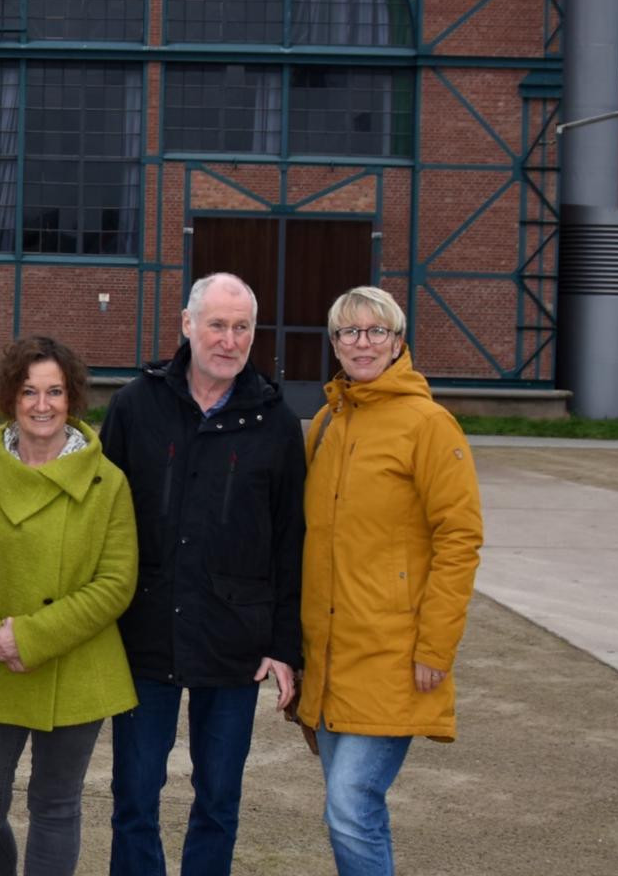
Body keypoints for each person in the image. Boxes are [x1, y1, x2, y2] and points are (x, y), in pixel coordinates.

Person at [98, 272, 305, 876]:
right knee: (134, 796)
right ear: (187, 325)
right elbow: (101, 515)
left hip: (234, 639)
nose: (229, 339)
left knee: (218, 800)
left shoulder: (276, 422)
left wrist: (284, 646)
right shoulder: (136, 405)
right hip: (145, 631)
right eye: (217, 324)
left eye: (242, 327)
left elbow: (292, 541)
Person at [0, 336, 138, 876]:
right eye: (28, 392)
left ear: (73, 399)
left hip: (74, 665)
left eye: (55, 392)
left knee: (55, 806)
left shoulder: (108, 481)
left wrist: (34, 636)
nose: (42, 405)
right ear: (9, 397)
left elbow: (116, 582)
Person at [292, 286, 483, 876]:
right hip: (328, 654)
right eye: (349, 332)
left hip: (394, 654)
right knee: (344, 807)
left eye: (376, 331)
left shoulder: (429, 424)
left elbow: (460, 538)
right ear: (335, 345)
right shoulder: (325, 422)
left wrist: (436, 647)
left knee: (352, 802)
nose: (362, 343)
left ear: (399, 342)